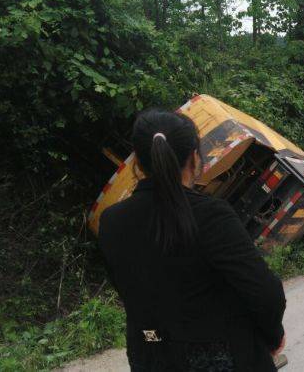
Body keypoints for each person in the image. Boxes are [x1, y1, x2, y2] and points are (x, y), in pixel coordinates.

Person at [98, 109, 286, 371]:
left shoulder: (111, 222)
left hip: (151, 358)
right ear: (195, 158)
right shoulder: (211, 215)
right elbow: (264, 291)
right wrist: (273, 335)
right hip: (219, 357)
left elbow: (130, 291)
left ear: (137, 164)